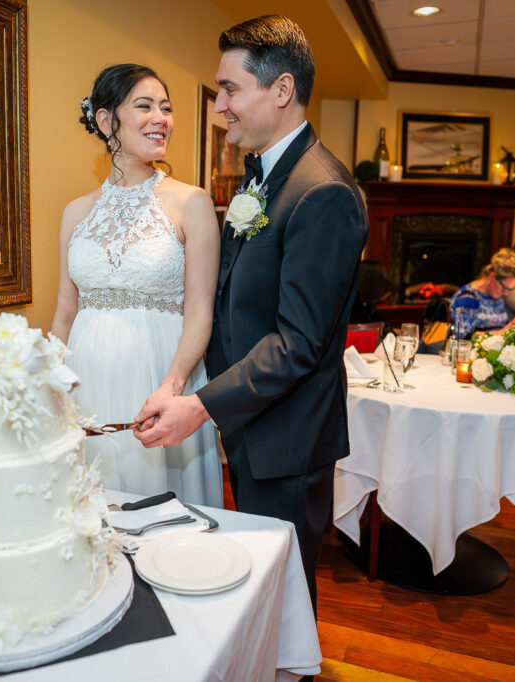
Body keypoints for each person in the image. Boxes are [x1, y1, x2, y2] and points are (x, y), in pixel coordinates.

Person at [132, 16, 368, 611]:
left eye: (231, 89)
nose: (220, 107)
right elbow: (239, 301)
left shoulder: (322, 191)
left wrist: (200, 405)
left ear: (281, 90)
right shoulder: (266, 176)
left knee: (284, 589)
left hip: (288, 435)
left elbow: (298, 342)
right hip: (255, 424)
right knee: (263, 583)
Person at [50, 64, 223, 507]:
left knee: (163, 513)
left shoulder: (192, 202)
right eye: (144, 106)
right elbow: (65, 313)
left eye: (166, 108)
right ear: (107, 121)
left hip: (161, 374)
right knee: (93, 507)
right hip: (86, 377)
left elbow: (200, 312)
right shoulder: (75, 212)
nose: (160, 118)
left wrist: (172, 385)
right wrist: (46, 380)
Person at [450, 248, 515, 339]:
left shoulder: (495, 295)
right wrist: (502, 332)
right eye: (504, 288)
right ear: (492, 277)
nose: (506, 293)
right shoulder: (468, 297)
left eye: (510, 289)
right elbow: (462, 337)